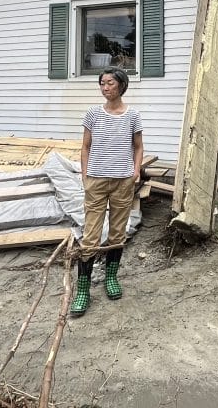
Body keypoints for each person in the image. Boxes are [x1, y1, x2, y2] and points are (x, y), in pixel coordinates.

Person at [70, 67, 143, 317]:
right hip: (96, 181)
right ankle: (83, 289)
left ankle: (111, 277)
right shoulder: (92, 114)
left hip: (123, 181)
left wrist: (136, 171)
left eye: (110, 83)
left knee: (117, 233)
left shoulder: (133, 115)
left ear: (121, 85)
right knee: (90, 234)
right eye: (102, 83)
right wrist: (85, 175)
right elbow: (85, 146)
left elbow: (138, 146)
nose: (105, 88)